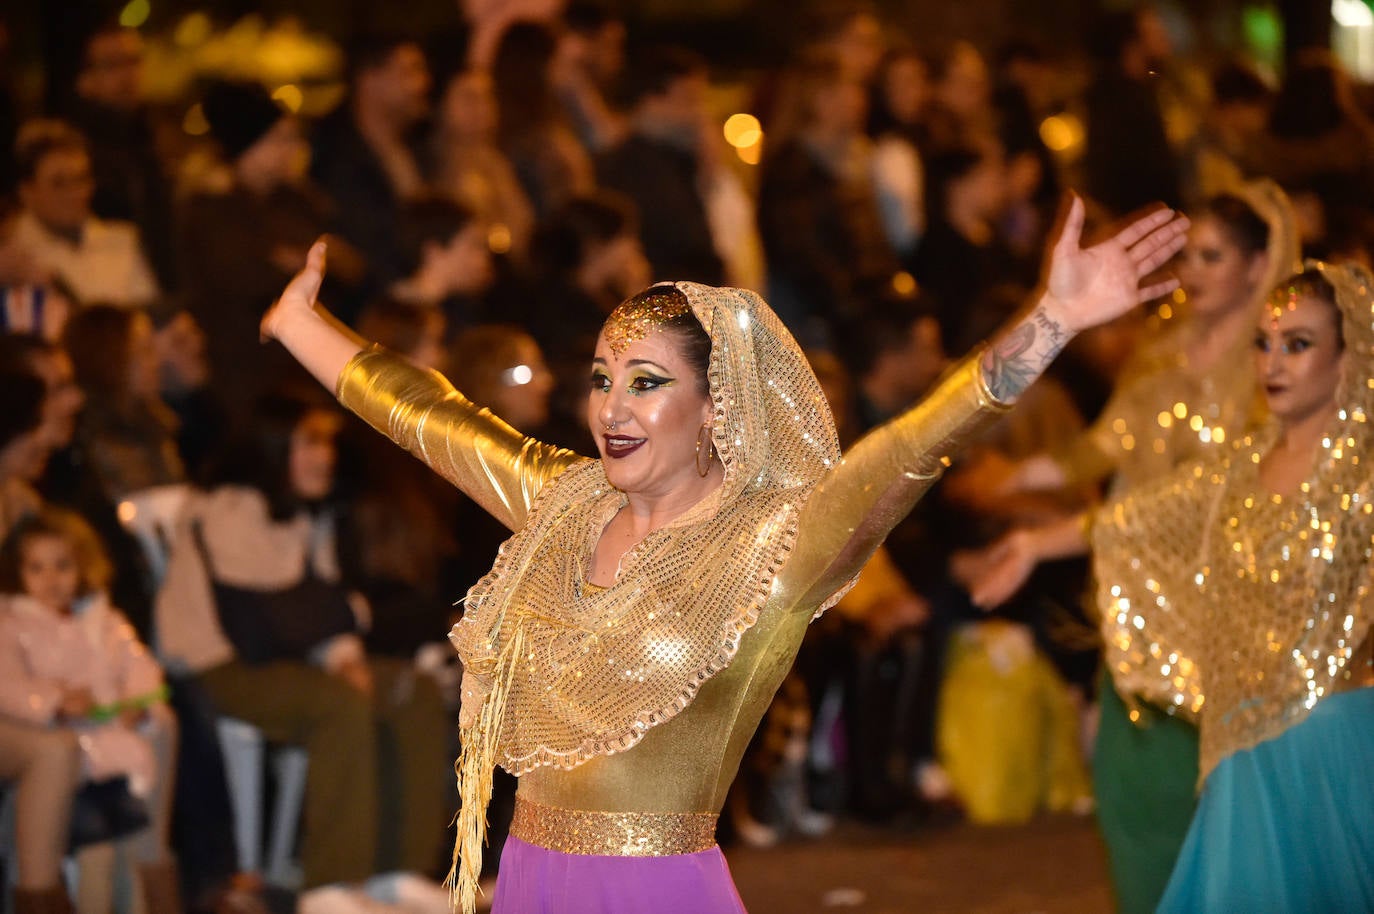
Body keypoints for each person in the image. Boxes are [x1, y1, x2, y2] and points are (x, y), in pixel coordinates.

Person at [258, 189, 1188, 913]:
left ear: (714, 408)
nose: (611, 407)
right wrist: (300, 324)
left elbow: (908, 451)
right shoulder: (565, 503)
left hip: (656, 892)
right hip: (534, 879)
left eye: (646, 383)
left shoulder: (773, 546)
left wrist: (1051, 322)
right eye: (602, 379)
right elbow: (432, 420)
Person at [954, 181, 1298, 914]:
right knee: (1131, 797)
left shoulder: (1274, 370)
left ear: (1257, 266)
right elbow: (1102, 451)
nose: (1194, 272)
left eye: (1212, 256)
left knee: (1225, 808)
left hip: (1231, 621)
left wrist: (1045, 538)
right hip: (1140, 606)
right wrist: (1013, 476)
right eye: (1187, 256)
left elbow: (1205, 500)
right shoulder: (1161, 357)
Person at [1091, 263, 1374, 910]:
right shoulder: (1239, 468)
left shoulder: (1365, 475)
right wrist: (1029, 544)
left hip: (1336, 745)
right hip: (1244, 750)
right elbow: (1134, 520)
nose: (1273, 363)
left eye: (1298, 344)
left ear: (1349, 357)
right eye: (1264, 343)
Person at [153, 391, 450, 891]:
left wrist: (343, 654)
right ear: (274, 445)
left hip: (288, 660)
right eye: (310, 442)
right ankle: (334, 884)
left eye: (327, 443)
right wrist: (342, 620)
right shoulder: (228, 507)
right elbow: (275, 616)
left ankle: (401, 875)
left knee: (411, 692)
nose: (325, 456)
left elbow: (318, 606)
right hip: (221, 666)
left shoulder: (300, 510)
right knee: (339, 705)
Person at [0, 507, 180, 914]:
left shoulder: (104, 620)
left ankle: (148, 889)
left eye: (62, 566)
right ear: (18, 573)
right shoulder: (14, 624)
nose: (51, 579)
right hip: (71, 755)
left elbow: (139, 665)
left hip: (113, 749)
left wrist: (137, 701)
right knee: (96, 859)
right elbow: (7, 684)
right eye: (37, 568)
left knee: (128, 848)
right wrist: (53, 701)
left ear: (82, 566)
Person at [10, 119, 160, 309]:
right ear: (27, 192)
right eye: (59, 183)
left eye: (81, 179)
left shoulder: (122, 240)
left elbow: (147, 312)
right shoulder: (14, 257)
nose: (76, 193)